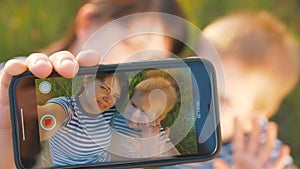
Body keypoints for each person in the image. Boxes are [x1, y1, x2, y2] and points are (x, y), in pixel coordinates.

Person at [0, 0, 187, 168]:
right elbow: (54, 114)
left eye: (152, 61)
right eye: (131, 46)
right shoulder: (12, 81)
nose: (137, 67)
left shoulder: (112, 111)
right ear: (88, 23)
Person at [165, 10, 300, 169]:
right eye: (196, 78)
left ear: (253, 118)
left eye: (222, 100)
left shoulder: (258, 151)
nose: (198, 99)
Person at [37, 72, 128, 167]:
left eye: (115, 96)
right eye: (104, 88)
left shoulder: (109, 113)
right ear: (87, 80)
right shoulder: (68, 108)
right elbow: (45, 116)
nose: (108, 99)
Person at [109, 77, 180, 158]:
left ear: (157, 119)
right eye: (133, 105)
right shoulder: (118, 119)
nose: (133, 114)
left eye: (144, 112)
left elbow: (178, 160)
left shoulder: (155, 135)